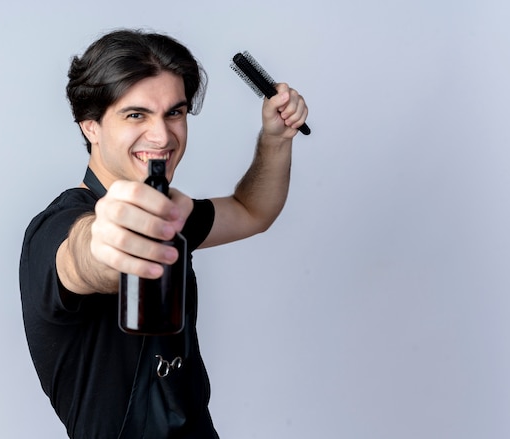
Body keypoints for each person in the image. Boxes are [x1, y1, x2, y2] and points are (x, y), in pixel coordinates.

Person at [19, 28, 308, 439]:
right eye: (136, 114)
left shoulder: (167, 211)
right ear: (91, 127)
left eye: (174, 112)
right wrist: (106, 241)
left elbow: (252, 211)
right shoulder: (56, 229)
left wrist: (276, 140)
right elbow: (82, 258)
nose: (162, 136)